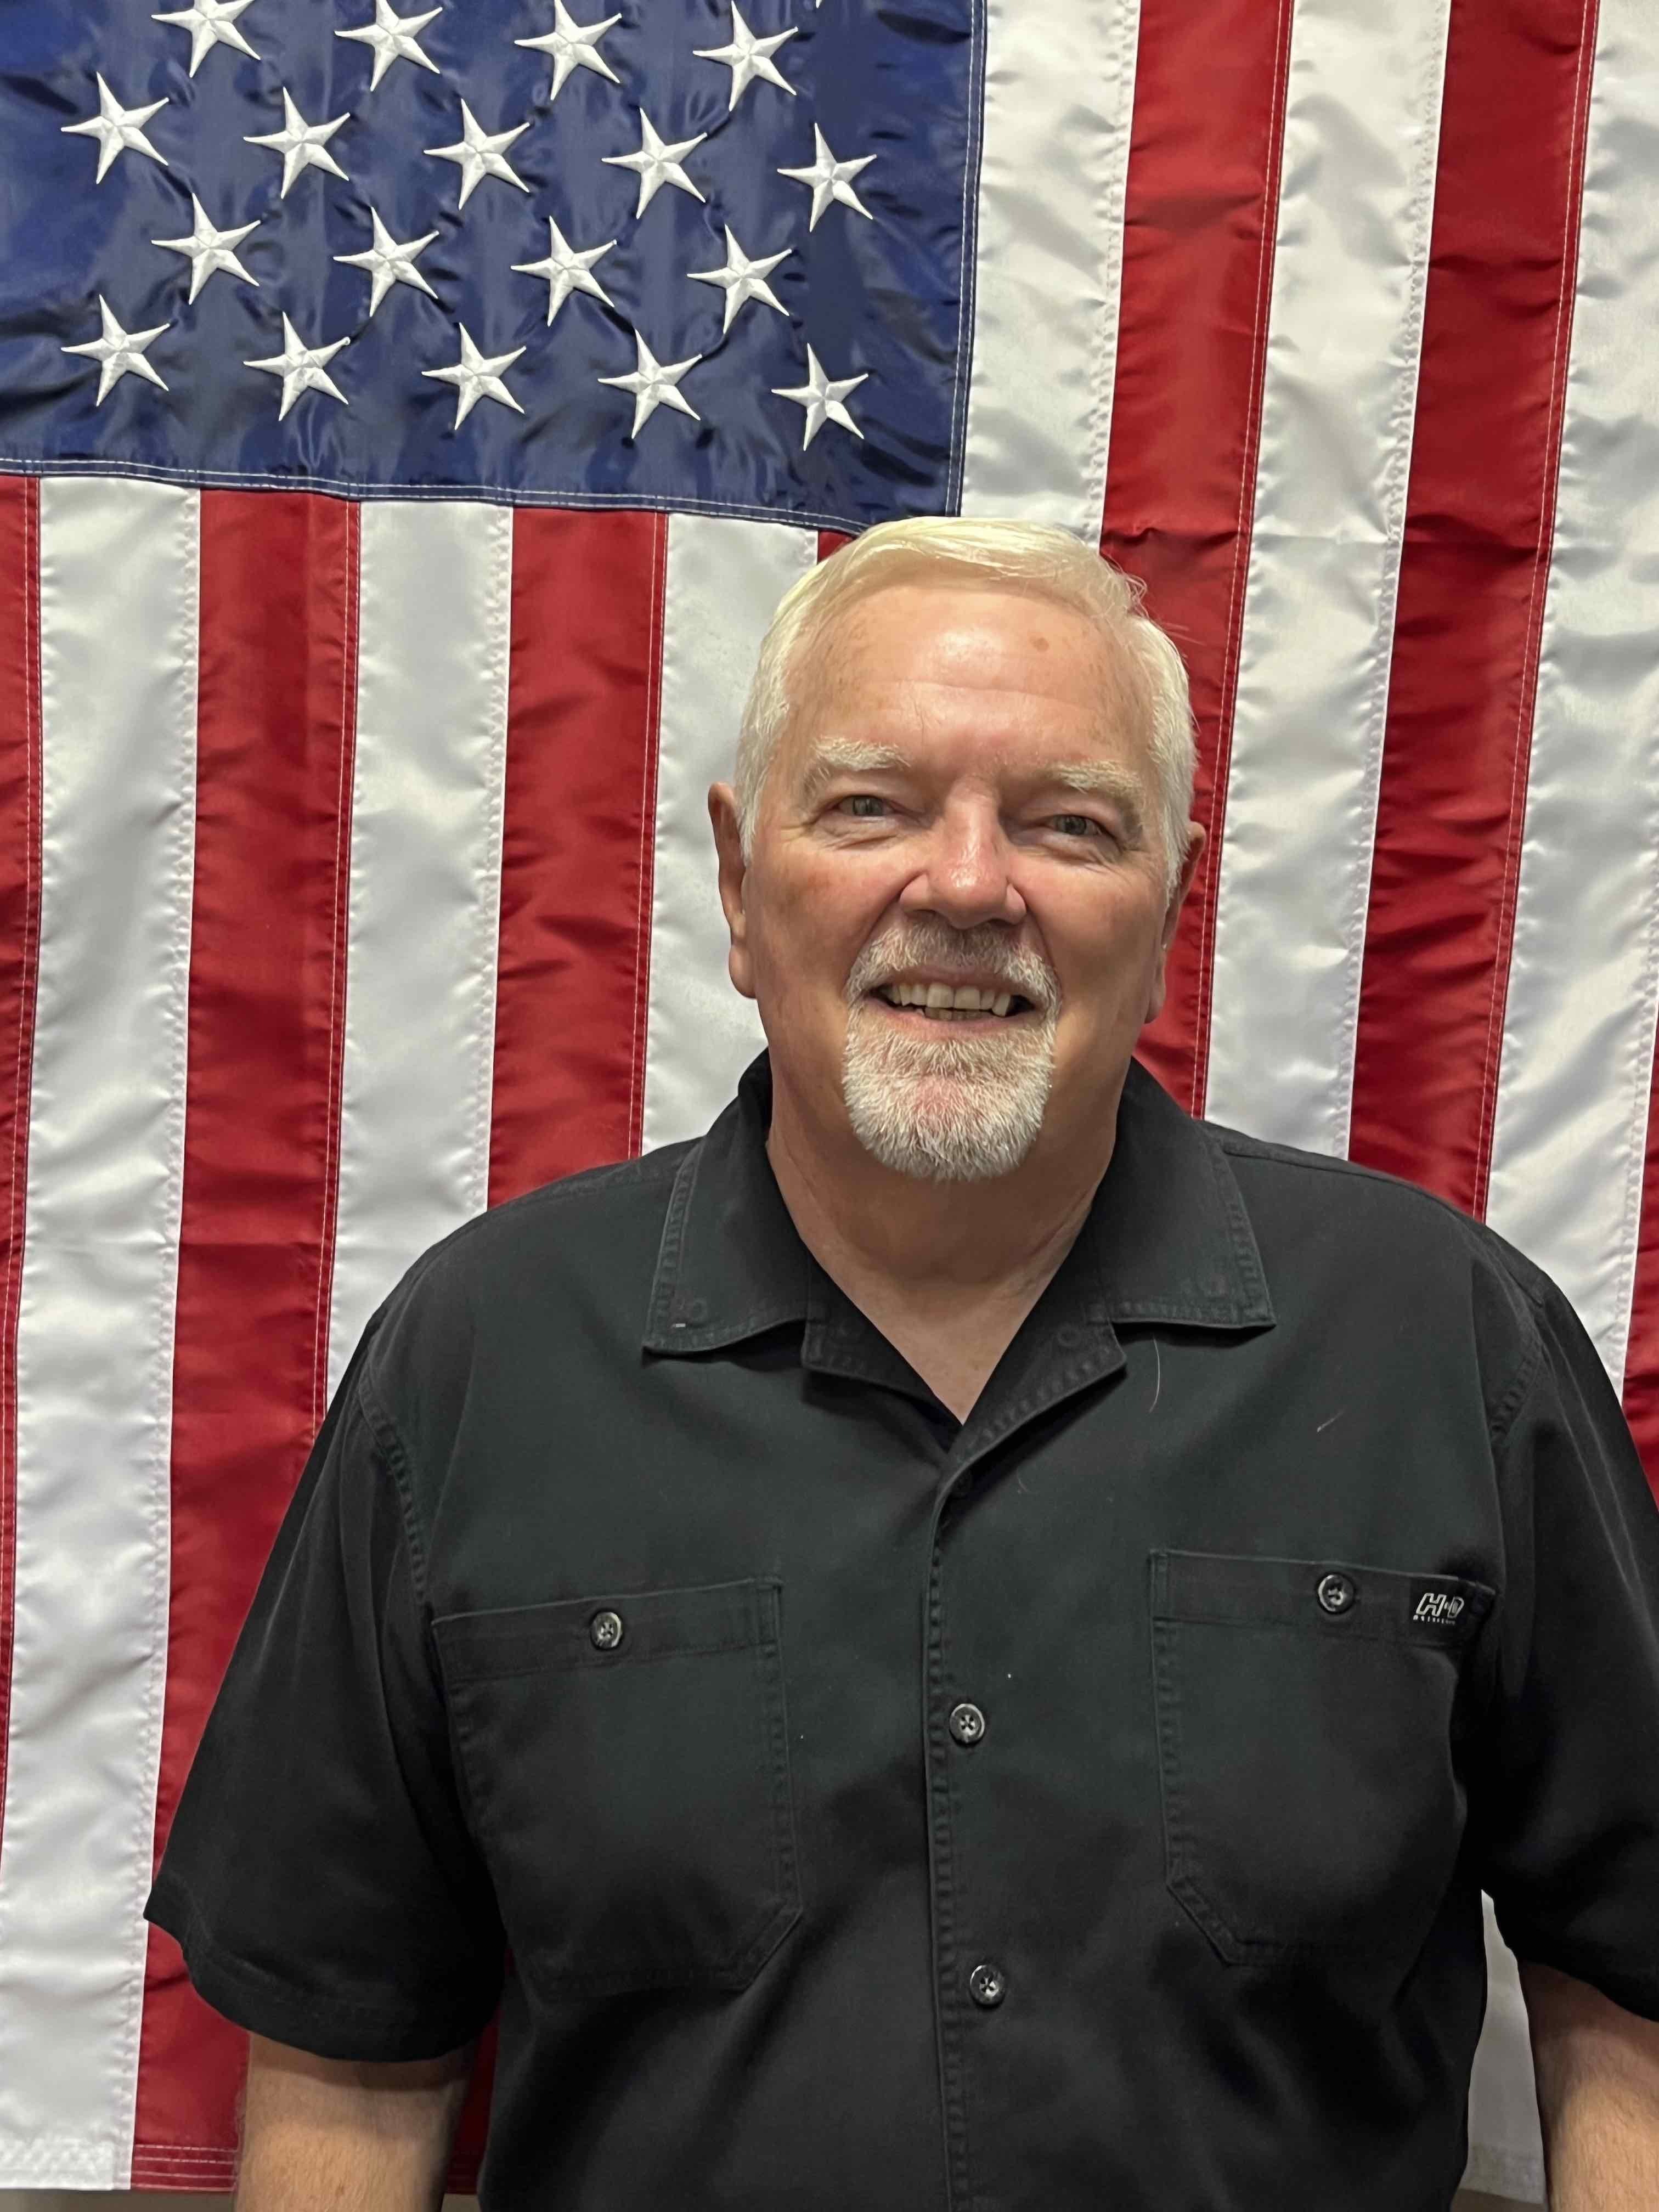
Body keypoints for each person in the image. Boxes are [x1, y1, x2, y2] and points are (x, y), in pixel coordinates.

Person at [146, 517, 1659, 2211]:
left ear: (1172, 904)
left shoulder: (1448, 1344)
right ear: (740, 885)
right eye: (871, 806)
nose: (965, 886)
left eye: (1068, 823)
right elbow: (351, 2058)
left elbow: (1633, 1970)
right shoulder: (480, 1362)